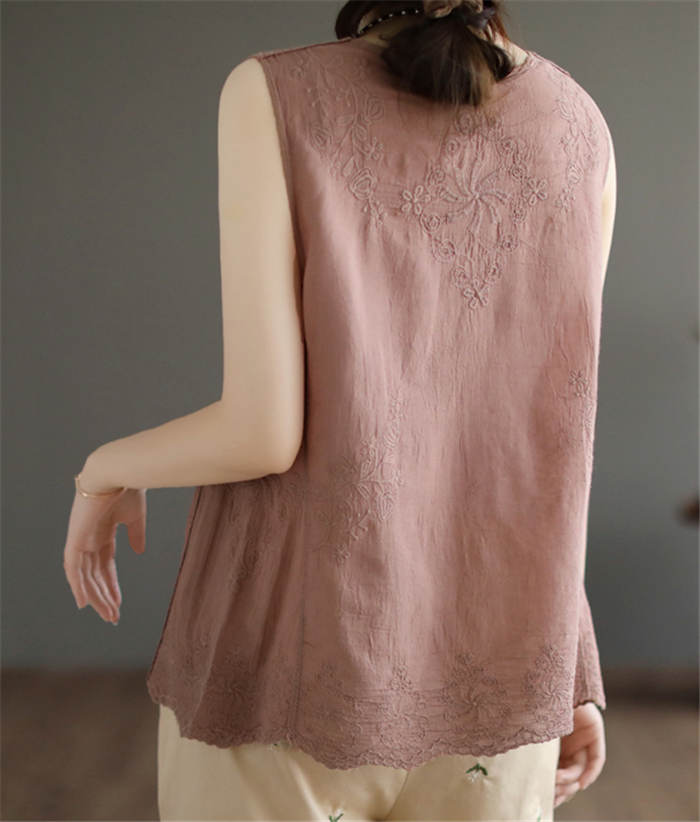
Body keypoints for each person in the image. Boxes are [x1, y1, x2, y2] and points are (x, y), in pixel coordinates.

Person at [63, 0, 616, 818]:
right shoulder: (581, 123)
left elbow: (262, 432)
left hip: (286, 670)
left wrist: (104, 469)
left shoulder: (274, 93)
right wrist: (570, 671)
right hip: (504, 687)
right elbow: (538, 440)